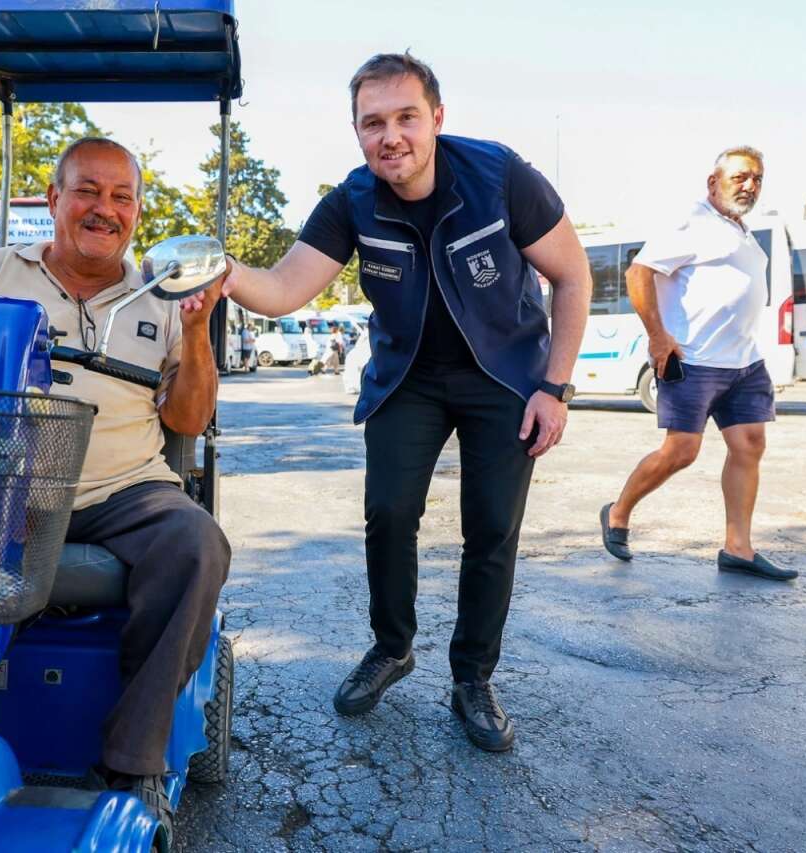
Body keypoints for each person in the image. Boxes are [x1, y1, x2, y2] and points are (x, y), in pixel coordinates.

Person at [214, 53, 591, 752]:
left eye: (406, 117)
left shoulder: (499, 174)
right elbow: (284, 288)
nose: (392, 136)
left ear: (437, 119)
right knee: (388, 511)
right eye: (373, 123)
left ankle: (472, 678)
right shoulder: (351, 200)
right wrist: (222, 272)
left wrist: (554, 387)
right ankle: (392, 646)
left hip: (504, 375)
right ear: (357, 132)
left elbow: (572, 276)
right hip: (406, 377)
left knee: (491, 528)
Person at [0, 137, 230, 806]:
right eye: (89, 191)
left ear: (137, 211)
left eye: (122, 197)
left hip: (124, 489)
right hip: (1, 482)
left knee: (197, 543)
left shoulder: (158, 295)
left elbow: (187, 419)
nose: (105, 209)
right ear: (53, 199)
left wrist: (199, 329)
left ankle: (131, 762)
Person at [600, 147, 796, 581]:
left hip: (744, 362)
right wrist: (657, 337)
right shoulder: (692, 221)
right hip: (695, 359)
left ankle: (738, 548)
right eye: (740, 177)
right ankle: (617, 512)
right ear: (714, 182)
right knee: (681, 452)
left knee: (749, 446)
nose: (750, 185)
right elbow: (639, 273)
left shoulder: (740, 229)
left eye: (757, 178)